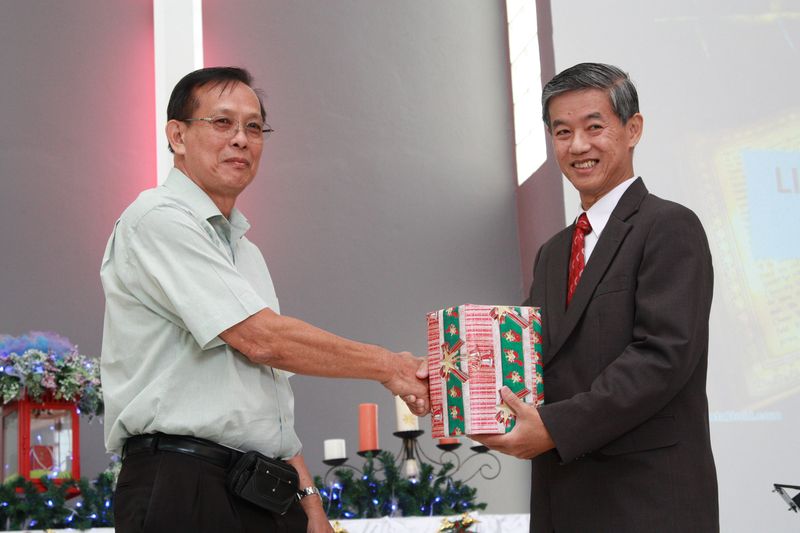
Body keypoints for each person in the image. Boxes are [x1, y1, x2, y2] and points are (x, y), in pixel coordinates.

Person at [100, 66, 429, 533]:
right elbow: (262, 340)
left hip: (261, 489)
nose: (241, 139)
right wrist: (391, 367)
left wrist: (310, 502)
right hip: (183, 483)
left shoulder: (245, 250)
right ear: (177, 135)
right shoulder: (156, 219)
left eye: (254, 127)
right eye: (222, 122)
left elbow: (265, 391)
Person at [471, 63, 719, 532]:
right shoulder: (553, 252)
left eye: (594, 127)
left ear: (633, 129)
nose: (578, 146)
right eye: (562, 132)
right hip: (563, 499)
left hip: (647, 502)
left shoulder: (669, 226)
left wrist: (554, 428)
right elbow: (522, 352)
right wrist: (450, 376)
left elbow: (661, 357)